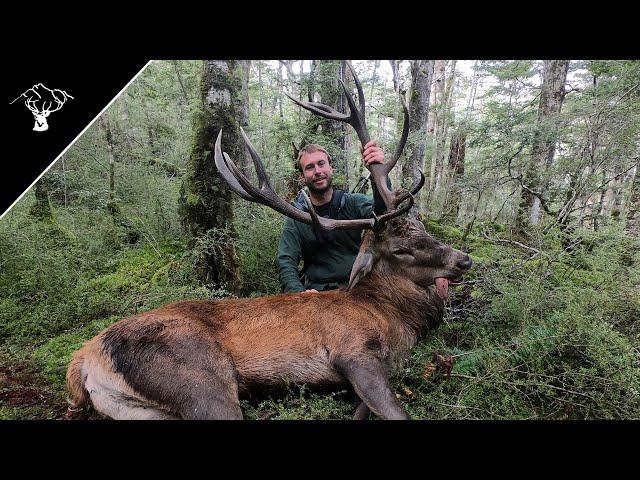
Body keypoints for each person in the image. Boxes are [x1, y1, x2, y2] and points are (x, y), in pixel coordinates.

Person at [277, 140, 387, 293]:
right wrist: (298, 294)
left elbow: (385, 215)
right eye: (309, 167)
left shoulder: (353, 203)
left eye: (321, 164)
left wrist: (378, 171)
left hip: (359, 289)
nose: (317, 171)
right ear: (302, 177)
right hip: (318, 295)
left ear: (331, 168)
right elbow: (286, 261)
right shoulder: (296, 217)